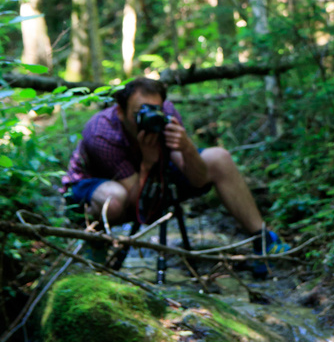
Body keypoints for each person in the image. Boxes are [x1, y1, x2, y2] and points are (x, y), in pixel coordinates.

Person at [63, 76, 286, 262]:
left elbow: (198, 179)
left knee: (219, 157)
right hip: (96, 189)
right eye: (140, 112)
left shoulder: (166, 115)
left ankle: (263, 239)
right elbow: (135, 206)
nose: (150, 117)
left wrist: (186, 147)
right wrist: (148, 164)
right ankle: (94, 238)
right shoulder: (102, 131)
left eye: (155, 110)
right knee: (114, 199)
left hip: (154, 177)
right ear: (120, 111)